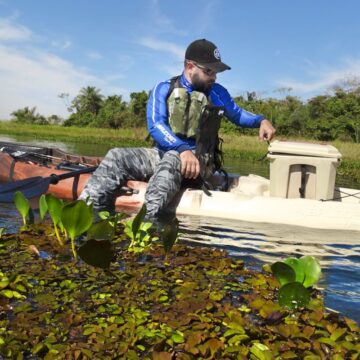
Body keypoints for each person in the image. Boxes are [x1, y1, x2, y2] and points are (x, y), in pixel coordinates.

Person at [79, 39, 275, 222]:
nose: (214, 77)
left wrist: (261, 121)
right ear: (190, 66)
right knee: (116, 155)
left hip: (201, 161)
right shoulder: (163, 88)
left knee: (172, 158)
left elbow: (238, 114)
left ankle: (148, 224)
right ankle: (87, 215)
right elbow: (156, 126)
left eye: (216, 72)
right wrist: (182, 149)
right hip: (163, 153)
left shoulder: (217, 92)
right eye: (209, 71)